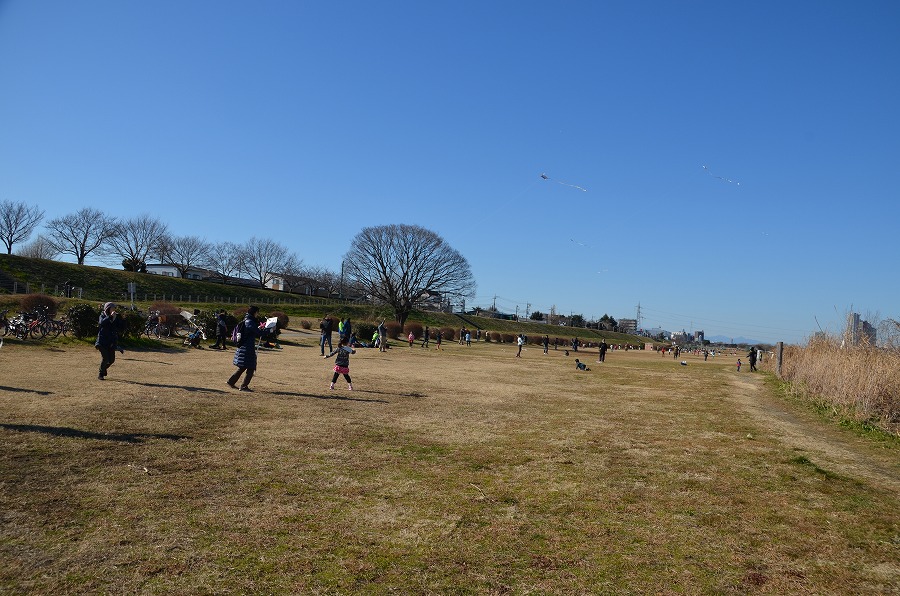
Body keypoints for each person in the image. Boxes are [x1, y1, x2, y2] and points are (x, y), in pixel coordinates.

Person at [227, 305, 264, 391]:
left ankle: (231, 381)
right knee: (251, 366)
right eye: (257, 312)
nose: (257, 315)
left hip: (244, 346)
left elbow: (253, 331)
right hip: (247, 347)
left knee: (243, 366)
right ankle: (243, 386)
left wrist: (259, 328)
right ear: (254, 312)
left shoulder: (247, 320)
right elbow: (258, 332)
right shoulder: (250, 321)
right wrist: (268, 330)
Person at [95, 302, 125, 380]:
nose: (114, 310)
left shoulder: (115, 317)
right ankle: (101, 374)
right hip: (102, 341)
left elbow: (120, 327)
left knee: (111, 360)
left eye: (114, 308)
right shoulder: (102, 315)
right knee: (105, 358)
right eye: (112, 308)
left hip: (111, 342)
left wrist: (121, 319)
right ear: (108, 308)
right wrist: (109, 317)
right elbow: (101, 323)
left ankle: (104, 369)